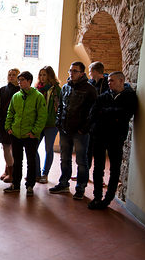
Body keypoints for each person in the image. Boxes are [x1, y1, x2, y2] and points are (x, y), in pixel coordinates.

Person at [87, 71, 137, 209]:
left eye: (112, 80)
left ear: (121, 81)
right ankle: (97, 197)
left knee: (115, 168)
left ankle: (108, 199)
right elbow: (93, 113)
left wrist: (105, 112)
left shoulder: (129, 96)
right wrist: (111, 114)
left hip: (116, 137)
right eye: (108, 81)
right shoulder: (104, 96)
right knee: (98, 167)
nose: (109, 83)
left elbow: (125, 114)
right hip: (99, 136)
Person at [49, 61, 97, 200]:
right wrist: (58, 122)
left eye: (75, 71)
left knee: (81, 161)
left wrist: (84, 129)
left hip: (80, 131)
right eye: (70, 70)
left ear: (82, 73)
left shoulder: (89, 89)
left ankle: (80, 188)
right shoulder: (65, 87)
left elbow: (93, 112)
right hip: (65, 129)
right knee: (65, 159)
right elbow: (61, 107)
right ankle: (63, 183)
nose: (71, 73)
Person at [3, 71, 47, 196]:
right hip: (16, 134)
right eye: (19, 80)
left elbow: (42, 116)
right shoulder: (16, 96)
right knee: (17, 161)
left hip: (30, 136)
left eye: (22, 80)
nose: (19, 82)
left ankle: (30, 186)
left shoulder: (38, 96)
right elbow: (10, 112)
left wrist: (34, 132)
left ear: (29, 81)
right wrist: (8, 127)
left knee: (31, 161)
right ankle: (16, 184)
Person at [34, 66, 62, 184]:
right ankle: (36, 173)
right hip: (38, 123)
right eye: (40, 75)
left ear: (50, 76)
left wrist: (57, 119)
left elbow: (60, 106)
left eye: (44, 75)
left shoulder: (56, 89)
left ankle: (45, 174)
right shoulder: (36, 89)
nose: (42, 77)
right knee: (33, 148)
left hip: (51, 124)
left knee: (48, 149)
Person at [0, 68, 20, 183]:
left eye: (14, 75)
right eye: (9, 74)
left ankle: (12, 173)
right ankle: (7, 169)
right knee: (5, 147)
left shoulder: (20, 91)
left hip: (14, 124)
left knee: (11, 149)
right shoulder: (2, 89)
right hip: (2, 123)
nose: (11, 76)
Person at [86, 61, 109, 170]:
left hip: (102, 122)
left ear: (95, 71)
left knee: (99, 152)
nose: (89, 74)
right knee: (88, 148)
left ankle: (100, 175)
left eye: (90, 71)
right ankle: (85, 173)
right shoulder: (90, 83)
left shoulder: (107, 84)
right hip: (91, 120)